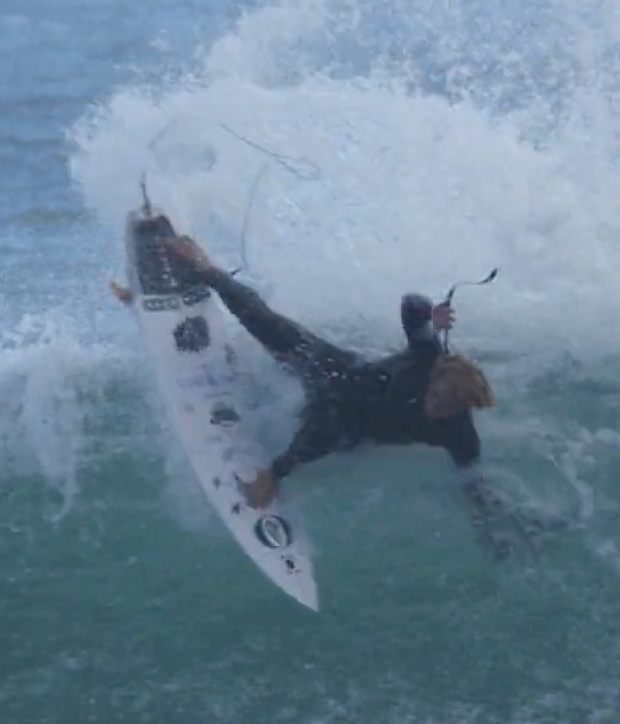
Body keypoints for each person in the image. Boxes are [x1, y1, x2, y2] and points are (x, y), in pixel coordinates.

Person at [151, 232, 511, 543]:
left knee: (323, 432)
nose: (437, 406)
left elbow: (473, 485)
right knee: (268, 324)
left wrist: (492, 524)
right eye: (438, 396)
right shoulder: (428, 354)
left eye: (448, 407)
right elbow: (412, 303)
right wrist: (431, 320)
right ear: (437, 375)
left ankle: (265, 456)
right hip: (342, 373)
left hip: (351, 426)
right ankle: (206, 269)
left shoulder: (460, 435)